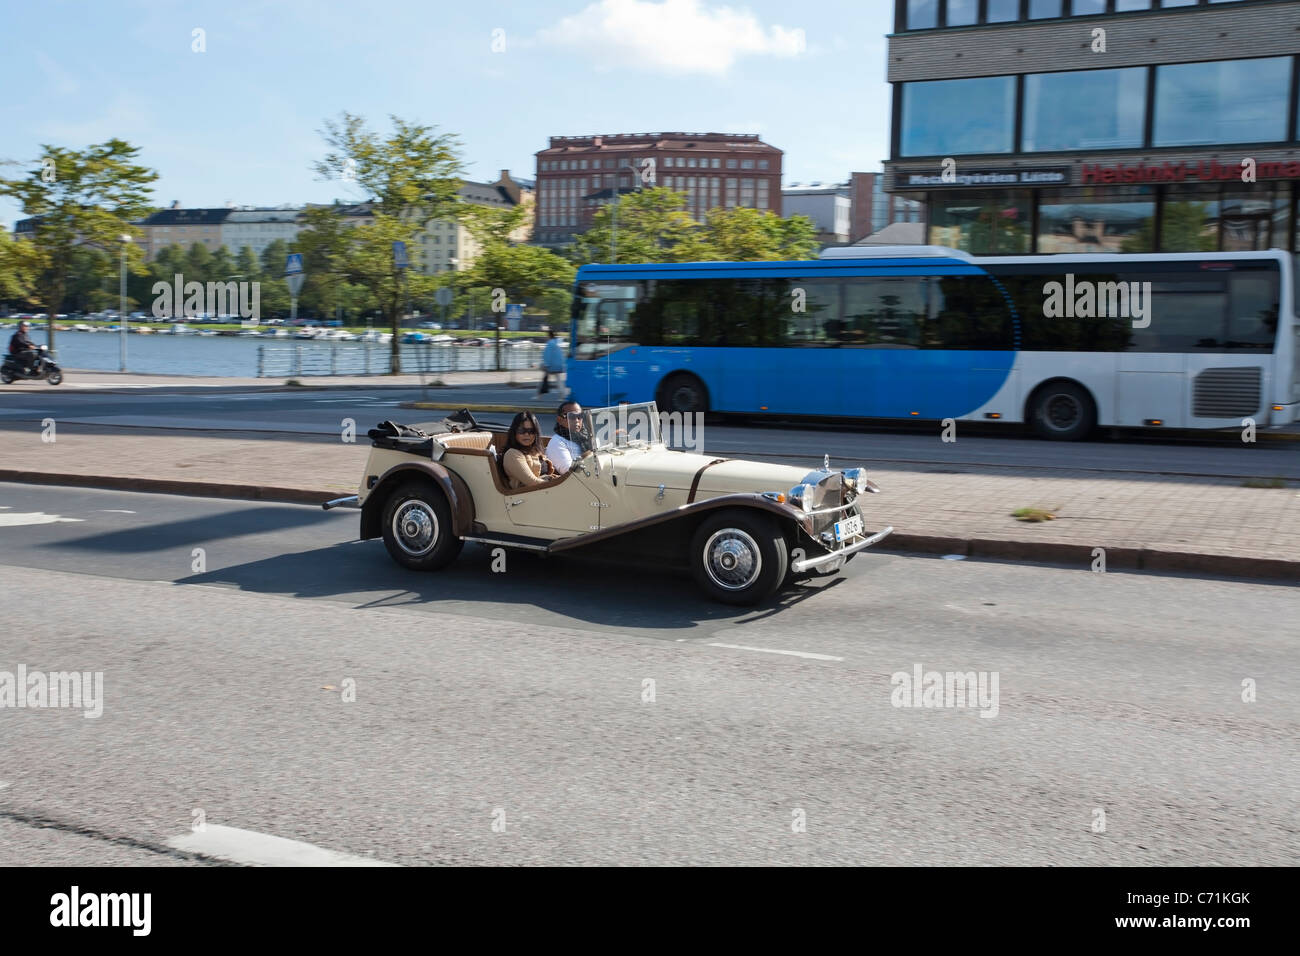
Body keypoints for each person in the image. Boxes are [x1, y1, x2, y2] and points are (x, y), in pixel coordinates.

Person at [502, 411, 558, 490]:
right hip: (527, 497)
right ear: (514, 432)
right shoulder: (512, 454)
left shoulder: (536, 451)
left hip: (544, 491)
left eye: (531, 431)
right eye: (522, 430)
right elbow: (532, 482)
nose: (526, 434)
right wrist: (559, 483)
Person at [545, 400, 587, 476]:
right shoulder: (557, 442)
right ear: (559, 420)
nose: (577, 420)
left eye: (579, 416)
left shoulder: (586, 438)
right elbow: (569, 472)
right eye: (571, 416)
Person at [536, 329, 565, 398]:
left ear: (549, 336)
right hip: (557, 365)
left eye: (546, 336)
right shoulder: (556, 343)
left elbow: (547, 355)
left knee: (543, 380)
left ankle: (538, 395)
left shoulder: (550, 343)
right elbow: (560, 355)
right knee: (558, 380)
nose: (545, 337)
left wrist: (546, 365)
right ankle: (562, 395)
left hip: (551, 365)